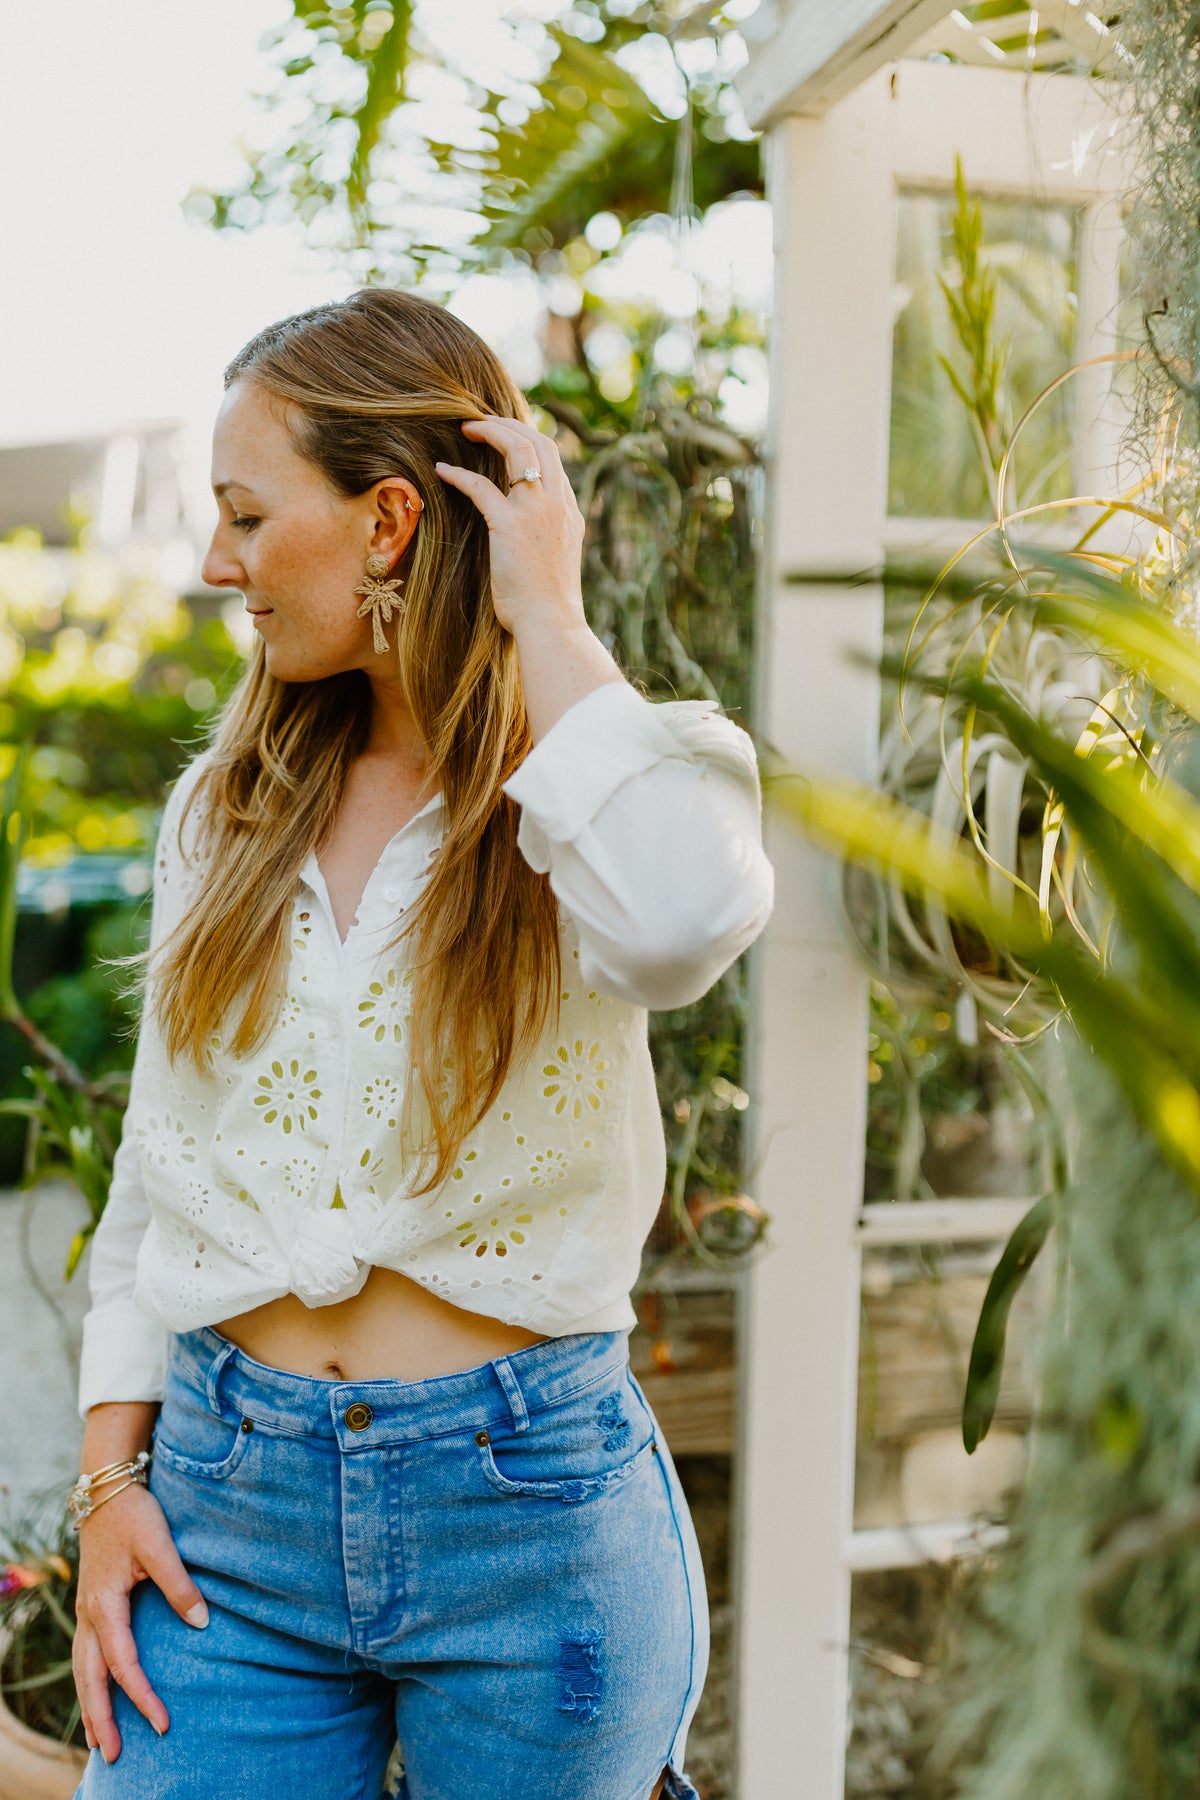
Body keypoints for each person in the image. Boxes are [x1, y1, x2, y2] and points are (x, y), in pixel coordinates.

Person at [68, 286, 773, 1800]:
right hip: (228, 1524)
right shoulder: (226, 810)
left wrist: (553, 622)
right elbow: (159, 1173)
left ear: (390, 524)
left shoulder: (617, 772)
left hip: (530, 1527)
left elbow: (678, 928)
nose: (216, 564)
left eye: (248, 517)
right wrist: (108, 1483)